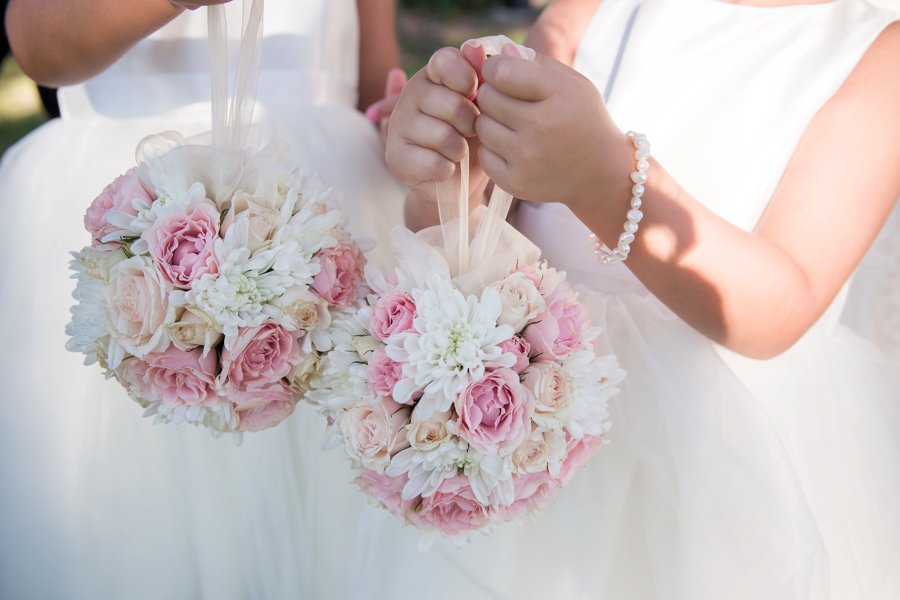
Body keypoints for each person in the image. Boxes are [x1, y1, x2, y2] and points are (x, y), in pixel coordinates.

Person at [363, 0, 900, 598]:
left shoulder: (881, 52)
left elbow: (785, 302)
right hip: (521, 416)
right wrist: (451, 175)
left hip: (708, 461)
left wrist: (607, 181)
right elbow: (492, 213)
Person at [0, 1, 405, 598]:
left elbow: (372, 76)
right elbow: (40, 47)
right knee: (141, 518)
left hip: (327, 188)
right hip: (141, 168)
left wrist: (399, 120)